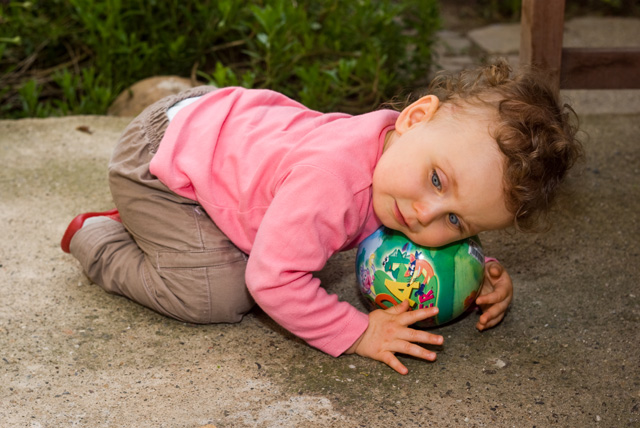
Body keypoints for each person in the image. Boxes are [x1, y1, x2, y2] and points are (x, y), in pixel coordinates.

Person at [61, 60, 582, 375]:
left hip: (216, 124)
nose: (425, 216)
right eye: (438, 182)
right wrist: (357, 332)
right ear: (416, 116)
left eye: (460, 224)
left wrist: (475, 274)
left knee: (268, 240)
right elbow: (273, 281)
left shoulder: (404, 158)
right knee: (219, 292)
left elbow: (434, 223)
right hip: (162, 165)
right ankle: (102, 236)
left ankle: (184, 226)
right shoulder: (333, 182)